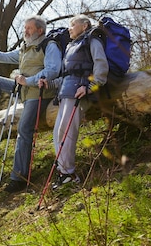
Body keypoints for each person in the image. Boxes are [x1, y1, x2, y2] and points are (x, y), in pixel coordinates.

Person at [0, 15, 62, 193]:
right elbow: (5, 57)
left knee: (24, 130)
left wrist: (28, 80)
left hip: (38, 93)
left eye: (29, 28)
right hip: (23, 89)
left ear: (40, 30)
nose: (25, 31)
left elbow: (53, 70)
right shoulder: (25, 48)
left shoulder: (49, 46)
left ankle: (19, 178)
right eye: (25, 28)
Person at [39, 14, 108, 189]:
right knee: (58, 133)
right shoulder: (71, 46)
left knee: (67, 131)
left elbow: (101, 67)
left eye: (73, 24)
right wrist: (49, 84)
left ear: (84, 26)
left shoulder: (92, 40)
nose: (69, 28)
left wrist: (89, 87)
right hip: (66, 93)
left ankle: (69, 173)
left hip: (79, 93)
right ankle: (63, 173)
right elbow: (66, 77)